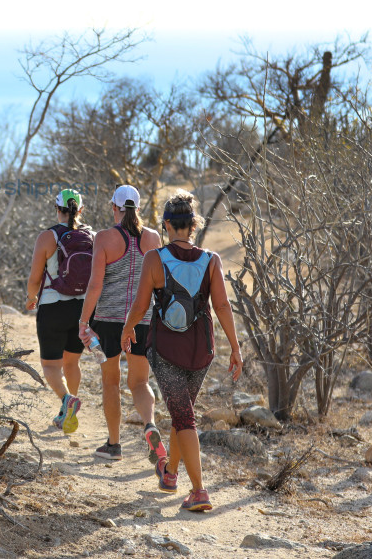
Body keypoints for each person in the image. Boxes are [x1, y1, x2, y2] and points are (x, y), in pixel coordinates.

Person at [121, 191, 243, 512]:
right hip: (201, 351)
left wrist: (128, 328)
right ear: (193, 225)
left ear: (166, 225)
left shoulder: (154, 259)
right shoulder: (211, 260)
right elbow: (222, 306)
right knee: (181, 411)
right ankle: (171, 474)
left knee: (183, 415)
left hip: (166, 350)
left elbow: (140, 305)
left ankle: (200, 491)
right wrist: (235, 347)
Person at [78, 185, 166, 463]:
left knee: (110, 382)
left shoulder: (103, 238)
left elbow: (95, 285)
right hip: (143, 319)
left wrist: (83, 322)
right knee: (140, 381)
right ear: (137, 208)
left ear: (113, 206)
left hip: (107, 321)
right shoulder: (153, 237)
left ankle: (114, 445)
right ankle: (150, 424)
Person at [26, 189, 93, 433]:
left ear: (57, 209)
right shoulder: (92, 235)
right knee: (72, 363)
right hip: (82, 308)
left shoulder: (48, 237)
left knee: (50, 366)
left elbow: (35, 277)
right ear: (81, 210)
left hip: (53, 306)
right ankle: (67, 412)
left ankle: (67, 400)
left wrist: (31, 298)